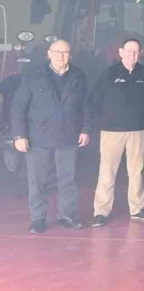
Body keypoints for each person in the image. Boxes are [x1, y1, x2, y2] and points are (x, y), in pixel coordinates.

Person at [10, 39, 93, 233]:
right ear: (48, 53)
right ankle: (38, 218)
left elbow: (86, 106)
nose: (61, 56)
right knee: (37, 181)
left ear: (70, 55)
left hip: (68, 135)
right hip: (38, 137)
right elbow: (18, 106)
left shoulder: (78, 76)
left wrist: (86, 129)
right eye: (57, 52)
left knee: (67, 179)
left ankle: (67, 215)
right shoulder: (33, 75)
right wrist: (19, 135)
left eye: (65, 52)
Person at [90, 38, 144, 227]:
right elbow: (94, 100)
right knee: (107, 172)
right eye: (128, 51)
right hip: (112, 131)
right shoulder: (109, 74)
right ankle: (101, 211)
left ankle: (137, 208)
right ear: (121, 52)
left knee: (137, 171)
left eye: (136, 51)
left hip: (138, 130)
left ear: (140, 54)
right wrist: (103, 121)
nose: (132, 55)